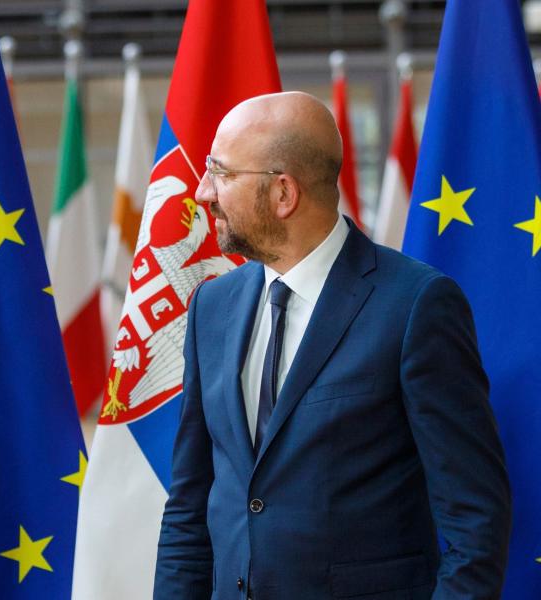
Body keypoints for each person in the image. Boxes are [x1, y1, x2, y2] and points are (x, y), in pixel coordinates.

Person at [154, 91, 511, 599]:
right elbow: (190, 506)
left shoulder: (416, 305)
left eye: (222, 173)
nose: (203, 191)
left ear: (283, 194)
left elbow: (476, 519)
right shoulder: (211, 307)